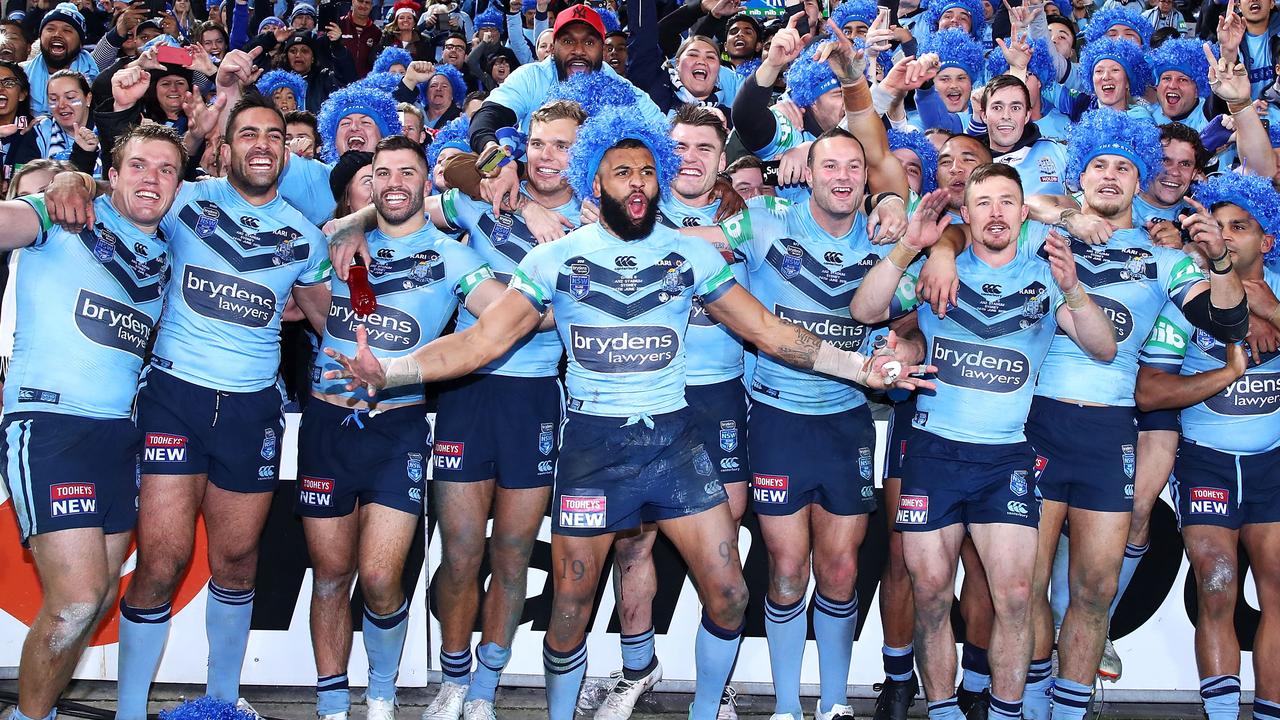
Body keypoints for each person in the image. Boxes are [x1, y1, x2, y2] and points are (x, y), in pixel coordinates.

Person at [325, 106, 932, 720]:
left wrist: (863, 369)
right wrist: (395, 371)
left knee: (728, 595)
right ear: (596, 181)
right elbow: (478, 343)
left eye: (647, 172)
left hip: (674, 444)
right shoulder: (553, 260)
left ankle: (702, 711)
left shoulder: (692, 258)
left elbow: (771, 333)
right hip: (593, 449)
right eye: (622, 173)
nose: (637, 183)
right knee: (569, 604)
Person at [41, 92, 333, 718]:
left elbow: (326, 322)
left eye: (274, 135)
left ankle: (222, 704)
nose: (261, 144)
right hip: (174, 397)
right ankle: (129, 711)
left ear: (287, 149)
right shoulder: (183, 203)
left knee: (236, 560)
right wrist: (73, 175)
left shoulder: (306, 238)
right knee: (164, 559)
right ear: (225, 148)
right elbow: (122, 190)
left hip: (254, 408)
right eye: (248, 133)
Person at [850, 163, 1118, 720]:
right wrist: (910, 250)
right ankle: (944, 711)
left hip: (1006, 458)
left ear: (1023, 214)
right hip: (933, 454)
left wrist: (1073, 290)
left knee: (1017, 598)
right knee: (929, 595)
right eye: (984, 202)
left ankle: (1006, 711)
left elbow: (1104, 347)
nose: (996, 212)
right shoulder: (934, 271)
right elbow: (864, 310)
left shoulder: (1047, 277)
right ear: (965, 215)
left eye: (1007, 202)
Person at [301, 135, 505, 720]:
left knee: (382, 576)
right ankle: (332, 706)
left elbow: (507, 313)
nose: (393, 182)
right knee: (332, 575)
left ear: (425, 183)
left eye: (407, 172)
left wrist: (540, 304)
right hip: (326, 421)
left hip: (399, 427)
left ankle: (383, 695)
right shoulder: (338, 242)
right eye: (381, 173)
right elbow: (306, 291)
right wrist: (346, 227)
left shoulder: (452, 255)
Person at [0, 124, 184, 720]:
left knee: (101, 593)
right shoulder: (65, 212)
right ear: (113, 171)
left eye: (165, 169)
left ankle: (42, 712)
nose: (150, 178)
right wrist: (65, 178)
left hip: (118, 436)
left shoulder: (168, 249)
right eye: (138, 165)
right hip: (50, 425)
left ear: (180, 185)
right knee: (76, 601)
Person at [1136, 171, 1280, 720]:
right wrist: (1225, 373)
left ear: (1267, 241)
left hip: (1271, 463)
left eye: (1239, 228)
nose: (1223, 237)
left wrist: (1263, 304)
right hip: (1207, 462)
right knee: (1216, 584)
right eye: (1215, 226)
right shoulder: (1188, 300)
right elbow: (1149, 392)